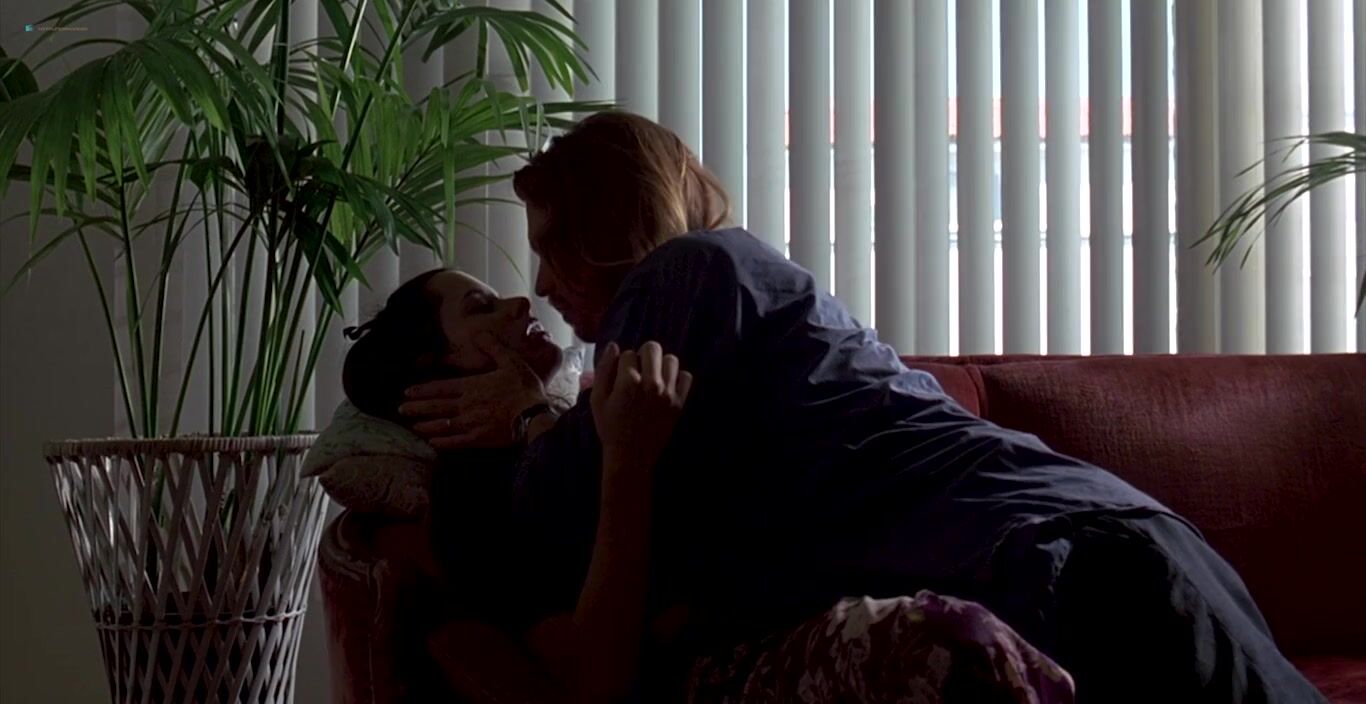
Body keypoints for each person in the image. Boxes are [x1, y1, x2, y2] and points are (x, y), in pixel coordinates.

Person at [398, 111, 1325, 703]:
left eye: (554, 247)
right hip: (1095, 543)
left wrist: (527, 415)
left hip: (1070, 559)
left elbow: (557, 507)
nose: (541, 287)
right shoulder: (727, 304)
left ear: (612, 227)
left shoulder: (690, 273)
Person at [341, 268, 1074, 703]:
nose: (522, 302)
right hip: (714, 666)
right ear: (436, 369)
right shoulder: (472, 502)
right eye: (481, 309)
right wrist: (626, 460)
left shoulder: (589, 416)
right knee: (942, 642)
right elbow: (595, 676)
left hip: (809, 595)